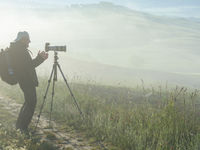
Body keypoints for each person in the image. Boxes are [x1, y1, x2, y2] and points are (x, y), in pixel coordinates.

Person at [9, 31, 48, 132]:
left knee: (28, 102)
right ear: (22, 39)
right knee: (31, 103)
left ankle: (19, 126)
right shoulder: (20, 50)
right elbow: (29, 66)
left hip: (24, 80)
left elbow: (27, 65)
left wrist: (39, 58)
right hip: (26, 81)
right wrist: (40, 58)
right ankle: (22, 128)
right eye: (27, 40)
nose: (29, 42)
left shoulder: (18, 49)